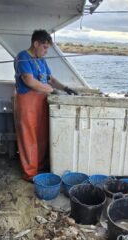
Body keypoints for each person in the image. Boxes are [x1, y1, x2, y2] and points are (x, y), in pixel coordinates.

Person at [13, 29, 77, 181]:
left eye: (47, 48)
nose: (46, 51)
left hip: (41, 102)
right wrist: (51, 90)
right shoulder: (23, 57)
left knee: (41, 136)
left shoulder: (41, 60)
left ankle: (40, 167)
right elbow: (29, 81)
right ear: (36, 44)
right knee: (28, 137)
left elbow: (50, 79)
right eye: (44, 47)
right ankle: (30, 173)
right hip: (27, 103)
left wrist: (66, 88)